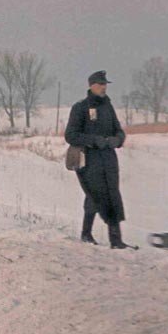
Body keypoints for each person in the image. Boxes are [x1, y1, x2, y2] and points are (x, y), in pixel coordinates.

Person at [65, 70, 132, 249]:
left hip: (109, 158)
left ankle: (116, 240)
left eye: (105, 85)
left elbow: (118, 130)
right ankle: (87, 233)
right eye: (100, 84)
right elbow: (71, 135)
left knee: (113, 195)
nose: (104, 88)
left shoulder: (107, 107)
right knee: (95, 194)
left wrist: (117, 140)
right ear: (91, 85)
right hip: (89, 159)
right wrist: (94, 140)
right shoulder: (80, 108)